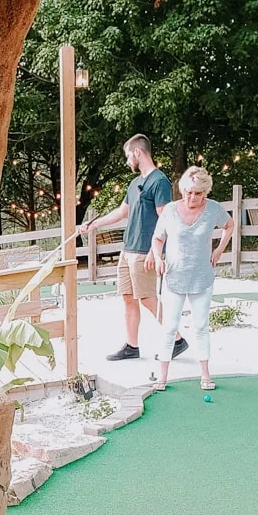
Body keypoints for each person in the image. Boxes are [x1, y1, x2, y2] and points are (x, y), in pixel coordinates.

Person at [86, 133, 188, 362]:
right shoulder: (134, 183)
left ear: (137, 152)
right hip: (128, 249)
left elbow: (166, 220)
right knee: (128, 297)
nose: (127, 161)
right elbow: (122, 212)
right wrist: (94, 225)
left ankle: (178, 339)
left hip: (145, 250)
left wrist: (156, 251)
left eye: (127, 156)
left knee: (147, 298)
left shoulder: (159, 181)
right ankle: (132, 346)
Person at [150, 166, 234, 391]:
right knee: (169, 327)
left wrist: (219, 250)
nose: (191, 197)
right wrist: (158, 259)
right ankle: (162, 377)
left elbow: (229, 225)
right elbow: (157, 239)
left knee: (201, 326)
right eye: (188, 192)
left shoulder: (213, 209)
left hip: (201, 276)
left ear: (205, 192)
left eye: (197, 193)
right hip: (174, 276)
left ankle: (205, 375)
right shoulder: (169, 210)